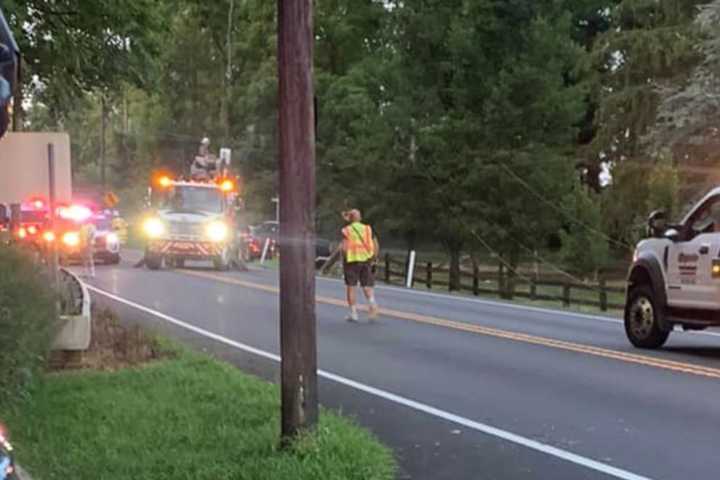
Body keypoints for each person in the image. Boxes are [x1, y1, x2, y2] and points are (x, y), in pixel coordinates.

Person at [339, 209, 379, 322]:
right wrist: (374, 258)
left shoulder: (347, 230)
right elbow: (375, 243)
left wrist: (343, 259)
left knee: (351, 287)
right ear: (360, 218)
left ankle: (353, 313)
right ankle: (372, 304)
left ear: (350, 219)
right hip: (366, 259)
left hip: (352, 261)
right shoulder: (368, 229)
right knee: (367, 286)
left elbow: (344, 247)